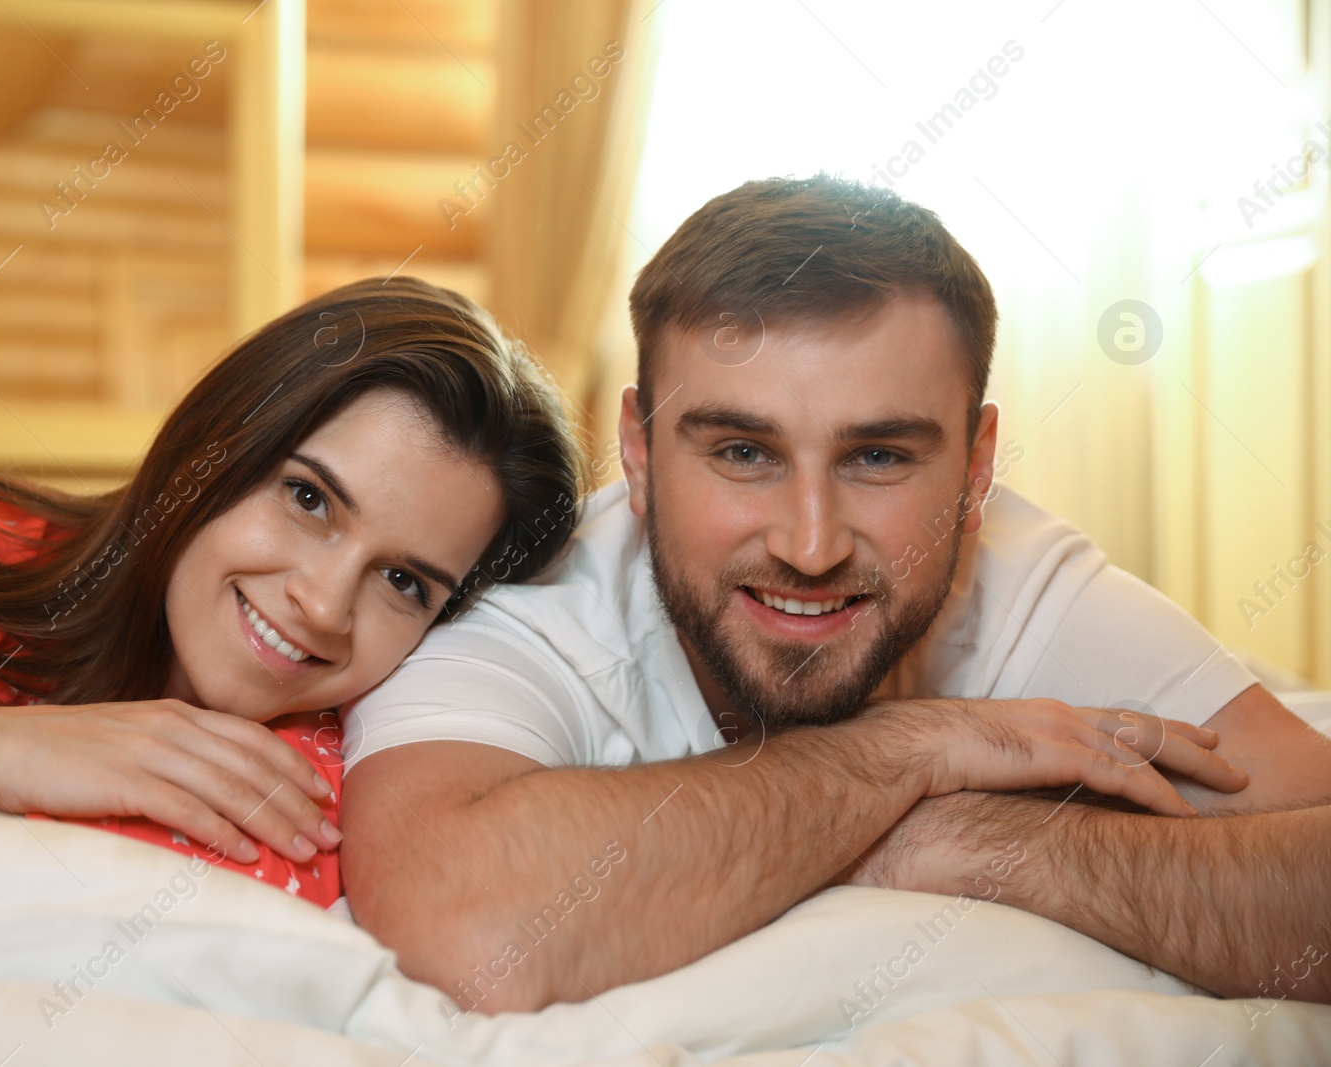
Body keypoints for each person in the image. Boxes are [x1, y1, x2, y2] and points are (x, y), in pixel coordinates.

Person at [339, 177, 1331, 1014]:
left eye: (878, 455)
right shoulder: (535, 608)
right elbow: (462, 926)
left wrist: (961, 836)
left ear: (976, 468)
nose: (809, 543)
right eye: (740, 450)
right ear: (637, 453)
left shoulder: (1018, 577)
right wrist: (899, 754)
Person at [0, 276, 584, 907]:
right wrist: (3, 751)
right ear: (217, 446)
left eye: (404, 582)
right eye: (308, 497)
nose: (323, 606)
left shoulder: (355, 765)